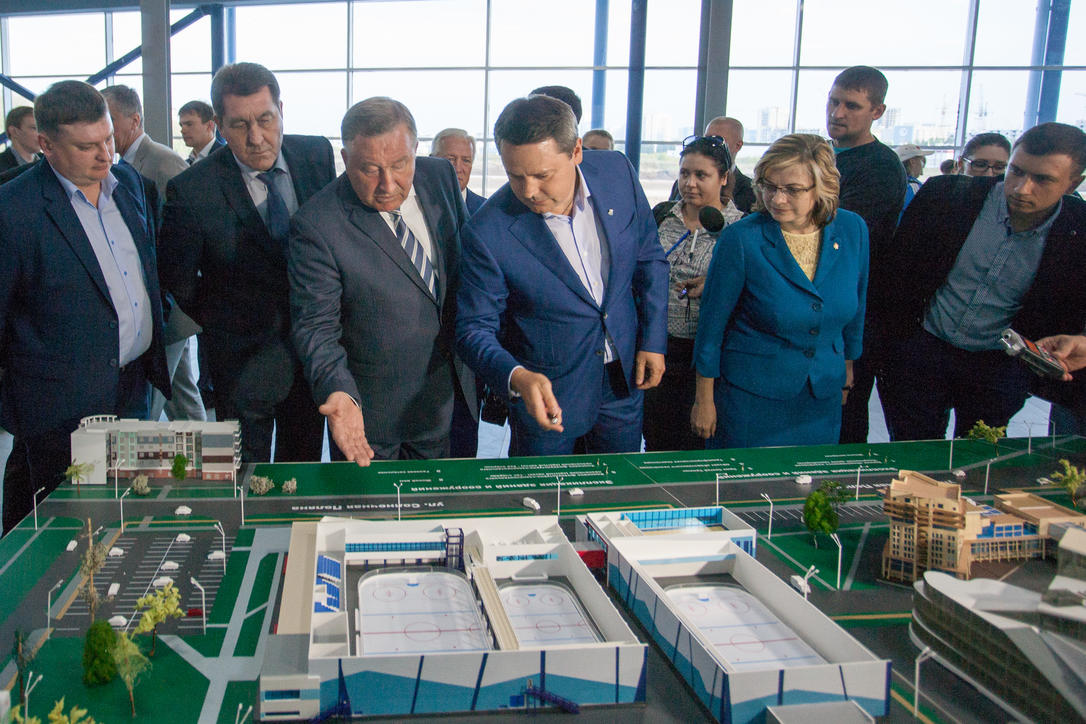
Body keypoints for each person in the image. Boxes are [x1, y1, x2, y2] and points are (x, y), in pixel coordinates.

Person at [0, 80, 169, 533]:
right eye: (86, 146)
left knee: (127, 512)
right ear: (46, 145)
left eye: (109, 138)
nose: (105, 155)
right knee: (63, 529)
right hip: (57, 409)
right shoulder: (13, 210)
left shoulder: (130, 184)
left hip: (133, 388)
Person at [456, 95, 668, 456]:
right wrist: (516, 376)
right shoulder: (487, 230)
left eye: (542, 175)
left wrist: (653, 340)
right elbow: (473, 329)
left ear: (577, 151)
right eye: (515, 176)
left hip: (624, 380)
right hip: (546, 395)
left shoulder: (618, 172)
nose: (528, 191)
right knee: (541, 490)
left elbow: (649, 259)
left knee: (620, 485)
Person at [160, 62, 334, 463]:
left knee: (303, 466)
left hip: (312, 353)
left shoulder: (315, 155)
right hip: (241, 362)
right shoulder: (192, 188)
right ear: (220, 125)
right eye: (239, 125)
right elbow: (178, 277)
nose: (256, 138)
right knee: (244, 475)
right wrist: (225, 322)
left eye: (265, 120)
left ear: (281, 110)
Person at [290, 97, 472, 464]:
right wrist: (339, 392)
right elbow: (316, 327)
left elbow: (464, 269)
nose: (387, 184)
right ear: (346, 159)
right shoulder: (317, 224)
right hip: (370, 418)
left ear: (415, 150)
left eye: (400, 165)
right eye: (370, 169)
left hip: (443, 399)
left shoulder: (440, 177)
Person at [877, 122, 1086, 441]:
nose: (1021, 188)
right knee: (913, 450)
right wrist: (898, 344)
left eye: (1042, 179)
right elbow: (896, 272)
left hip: (999, 366)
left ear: (1073, 183)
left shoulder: (1079, 229)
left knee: (979, 456)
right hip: (923, 350)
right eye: (1016, 171)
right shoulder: (947, 196)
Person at [691, 134, 868, 449]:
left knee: (811, 479)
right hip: (751, 399)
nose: (777, 199)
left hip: (822, 395)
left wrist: (847, 368)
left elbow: (857, 306)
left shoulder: (852, 230)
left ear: (822, 187)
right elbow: (711, 328)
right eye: (769, 186)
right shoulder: (741, 239)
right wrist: (704, 399)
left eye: (792, 190)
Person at [100, 85, 206, 425]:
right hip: (161, 309)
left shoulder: (162, 161)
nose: (104, 127)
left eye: (110, 118)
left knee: (149, 403)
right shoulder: (123, 165)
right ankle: (207, 448)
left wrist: (173, 295)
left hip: (169, 307)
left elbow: (189, 232)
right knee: (181, 393)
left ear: (134, 120)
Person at [643, 136, 741, 451]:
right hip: (658, 348)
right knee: (657, 440)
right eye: (685, 173)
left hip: (710, 356)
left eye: (701, 175)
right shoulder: (661, 216)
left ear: (723, 178)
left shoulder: (740, 228)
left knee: (700, 444)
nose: (690, 183)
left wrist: (716, 282)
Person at [827, 65, 906, 445]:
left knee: (845, 413)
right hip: (822, 306)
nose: (837, 113)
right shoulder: (826, 156)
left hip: (854, 311)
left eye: (852, 106)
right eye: (833, 101)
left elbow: (836, 238)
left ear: (877, 111)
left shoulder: (881, 168)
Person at [101, 85, 189, 201]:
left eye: (110, 121)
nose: (102, 129)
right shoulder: (119, 164)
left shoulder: (166, 162)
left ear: (135, 121)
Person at [670, 117, 755, 214]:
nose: (709, 144)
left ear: (738, 145)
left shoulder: (751, 192)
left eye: (717, 140)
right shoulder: (680, 185)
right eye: (706, 139)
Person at [431, 127, 484, 214]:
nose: (458, 169)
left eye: (466, 160)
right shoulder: (416, 205)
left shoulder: (486, 210)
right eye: (450, 159)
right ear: (432, 160)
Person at [178, 100, 224, 164]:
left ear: (209, 126)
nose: (182, 131)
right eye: (181, 125)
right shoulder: (185, 164)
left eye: (189, 124)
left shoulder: (227, 158)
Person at [0, 107, 39, 172]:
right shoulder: (2, 166)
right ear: (14, 131)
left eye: (41, 128)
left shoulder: (49, 162)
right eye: (34, 128)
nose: (41, 134)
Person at [896, 143, 933, 212]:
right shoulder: (913, 187)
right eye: (922, 162)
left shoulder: (894, 183)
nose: (922, 169)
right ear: (912, 162)